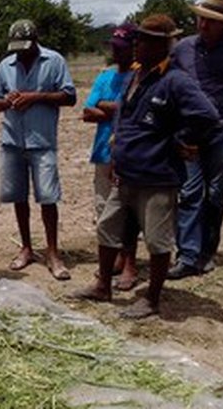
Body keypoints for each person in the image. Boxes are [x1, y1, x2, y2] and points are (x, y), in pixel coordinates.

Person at [72, 14, 219, 319]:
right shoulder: (134, 76)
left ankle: (152, 299)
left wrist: (183, 140)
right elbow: (123, 120)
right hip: (125, 173)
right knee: (108, 228)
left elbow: (207, 116)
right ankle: (103, 286)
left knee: (156, 239)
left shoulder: (176, 81)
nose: (137, 45)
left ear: (162, 45)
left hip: (157, 177)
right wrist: (116, 156)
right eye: (138, 38)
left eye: (145, 40)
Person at [168, 0, 223, 280]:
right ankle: (187, 256)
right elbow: (165, 75)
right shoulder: (183, 48)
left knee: (216, 194)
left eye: (211, 21)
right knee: (189, 191)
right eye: (201, 18)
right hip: (189, 130)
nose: (203, 25)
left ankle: (207, 252)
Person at [0, 19, 76, 280]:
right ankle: (26, 248)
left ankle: (52, 252)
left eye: (25, 47)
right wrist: (9, 101)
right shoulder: (6, 66)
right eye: (17, 48)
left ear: (36, 41)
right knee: (18, 197)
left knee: (48, 198)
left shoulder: (54, 61)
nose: (21, 52)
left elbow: (69, 97)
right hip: (12, 142)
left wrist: (36, 97)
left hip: (42, 142)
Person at [82, 23, 139, 291]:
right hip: (103, 152)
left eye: (120, 47)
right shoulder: (106, 77)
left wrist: (107, 107)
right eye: (113, 47)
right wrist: (119, 109)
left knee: (128, 210)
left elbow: (136, 111)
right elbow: (87, 111)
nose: (115, 52)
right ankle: (113, 259)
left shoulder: (141, 77)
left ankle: (130, 262)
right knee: (104, 208)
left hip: (130, 153)